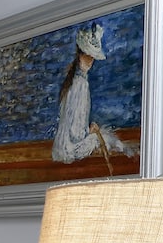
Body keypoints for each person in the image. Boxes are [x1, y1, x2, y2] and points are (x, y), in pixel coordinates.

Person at [51, 22, 137, 164]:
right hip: (71, 148)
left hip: (63, 146)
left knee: (107, 137)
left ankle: (132, 154)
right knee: (106, 138)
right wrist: (89, 131)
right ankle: (131, 157)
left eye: (92, 58)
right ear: (80, 55)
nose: (90, 61)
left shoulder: (73, 81)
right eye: (87, 56)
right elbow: (76, 132)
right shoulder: (80, 84)